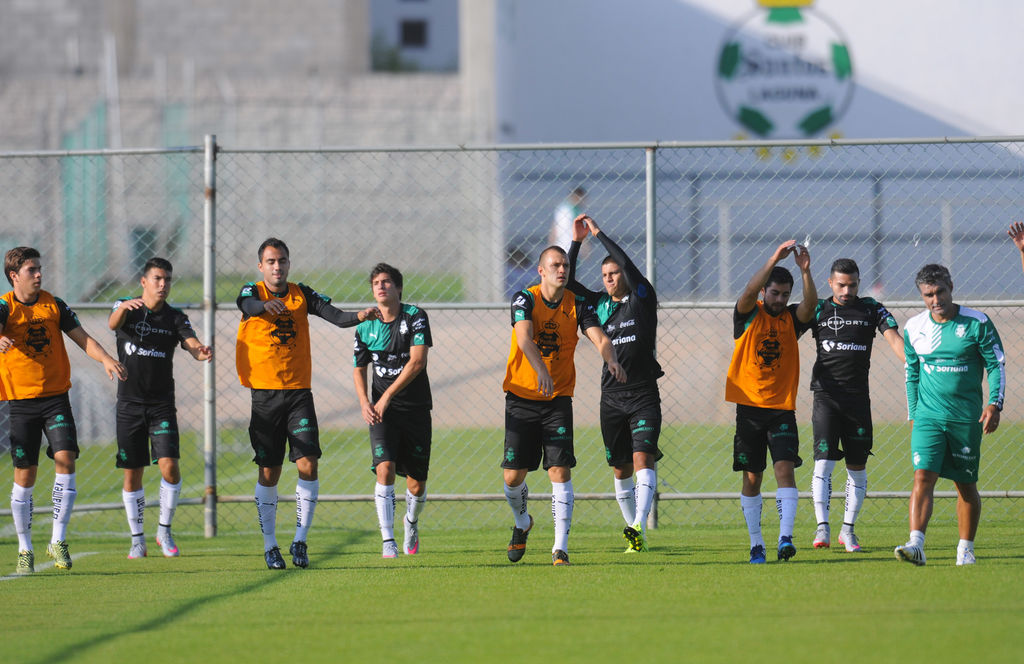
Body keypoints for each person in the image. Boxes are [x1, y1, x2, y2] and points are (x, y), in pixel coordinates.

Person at [236, 237, 377, 570]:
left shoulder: (302, 294)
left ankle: (300, 540)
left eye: (282, 260)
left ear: (288, 263)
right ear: (261, 266)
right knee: (269, 471)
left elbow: (337, 316)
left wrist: (362, 315)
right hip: (265, 394)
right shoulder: (253, 292)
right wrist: (263, 307)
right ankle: (270, 545)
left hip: (299, 392)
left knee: (308, 463)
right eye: (270, 261)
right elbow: (244, 305)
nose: (277, 266)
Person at [1, 246, 126, 574]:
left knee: (66, 457)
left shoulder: (54, 304)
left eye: (40, 268)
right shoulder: (5, 306)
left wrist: (106, 360)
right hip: (21, 402)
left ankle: (58, 538)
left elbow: (83, 339)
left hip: (56, 398)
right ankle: (25, 547)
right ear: (14, 276)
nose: (39, 274)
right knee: (25, 474)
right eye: (31, 270)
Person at [502, 244, 626, 566]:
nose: (562, 270)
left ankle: (561, 548)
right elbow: (524, 338)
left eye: (566, 266)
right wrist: (541, 368)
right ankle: (522, 522)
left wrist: (610, 359)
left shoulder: (578, 304)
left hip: (557, 399)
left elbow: (599, 337)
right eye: (555, 265)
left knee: (559, 469)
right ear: (541, 270)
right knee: (513, 478)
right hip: (521, 396)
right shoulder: (524, 299)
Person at [895, 264, 1004, 566]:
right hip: (928, 417)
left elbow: (996, 366)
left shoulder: (977, 323)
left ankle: (965, 549)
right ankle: (916, 545)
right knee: (922, 476)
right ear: (922, 295)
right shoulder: (914, 327)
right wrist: (914, 413)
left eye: (940, 291)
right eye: (928, 294)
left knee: (965, 485)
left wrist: (995, 404)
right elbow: (911, 372)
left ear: (951, 286)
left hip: (965, 419)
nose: (935, 299)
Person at [566, 214, 664, 553]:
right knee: (619, 467)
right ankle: (634, 531)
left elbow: (628, 263)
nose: (609, 279)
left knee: (642, 459)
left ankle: (638, 524)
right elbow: (567, 282)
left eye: (614, 273)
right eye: (605, 275)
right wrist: (577, 242)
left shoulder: (642, 298)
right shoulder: (597, 303)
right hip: (611, 397)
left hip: (643, 395)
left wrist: (598, 233)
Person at [109, 257, 213, 559]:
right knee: (133, 474)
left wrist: (201, 351)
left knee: (169, 466)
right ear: (144, 281)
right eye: (157, 278)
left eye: (167, 279)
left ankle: (164, 530)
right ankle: (137, 537)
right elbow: (112, 323)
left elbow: (190, 343)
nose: (163, 284)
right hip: (129, 404)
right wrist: (121, 308)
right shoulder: (126, 308)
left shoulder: (175, 318)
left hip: (161, 406)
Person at [725, 240, 815, 564]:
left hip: (781, 410)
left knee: (784, 470)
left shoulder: (792, 319)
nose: (779, 299)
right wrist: (774, 257)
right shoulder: (749, 314)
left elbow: (811, 305)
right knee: (752, 477)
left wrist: (805, 271)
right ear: (766, 292)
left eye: (784, 294)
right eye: (774, 293)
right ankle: (756, 544)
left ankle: (785, 538)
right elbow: (749, 291)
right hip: (749, 408)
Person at [807, 258, 903, 553]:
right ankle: (822, 526)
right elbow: (786, 332)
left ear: (858, 283)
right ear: (830, 284)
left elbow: (894, 339)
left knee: (857, 468)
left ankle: (848, 530)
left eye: (852, 285)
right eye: (841, 285)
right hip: (825, 396)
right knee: (823, 462)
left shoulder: (871, 307)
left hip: (858, 399)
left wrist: (914, 364)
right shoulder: (819, 309)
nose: (847, 290)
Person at [352, 263, 433, 559]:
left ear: (398, 288)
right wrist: (365, 401)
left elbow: (417, 362)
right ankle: (388, 540)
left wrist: (385, 396)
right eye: (376, 282)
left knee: (417, 482)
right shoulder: (365, 325)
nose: (381, 286)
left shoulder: (415, 317)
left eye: (387, 282)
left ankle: (410, 521)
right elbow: (359, 368)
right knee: (384, 468)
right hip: (381, 412)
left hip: (415, 408)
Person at [549, 186, 586, 252]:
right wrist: (585, 246)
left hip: (559, 247)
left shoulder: (561, 207)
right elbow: (579, 230)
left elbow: (554, 228)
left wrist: (551, 245)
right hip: (572, 247)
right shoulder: (575, 210)